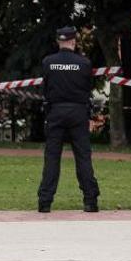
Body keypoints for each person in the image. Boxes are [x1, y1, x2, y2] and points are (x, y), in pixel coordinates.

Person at [36, 26, 100, 213]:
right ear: (73, 41)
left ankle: (45, 201)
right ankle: (90, 201)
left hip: (55, 112)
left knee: (52, 158)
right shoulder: (85, 63)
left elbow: (45, 89)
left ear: (59, 41)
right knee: (83, 158)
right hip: (78, 113)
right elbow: (87, 88)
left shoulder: (48, 62)